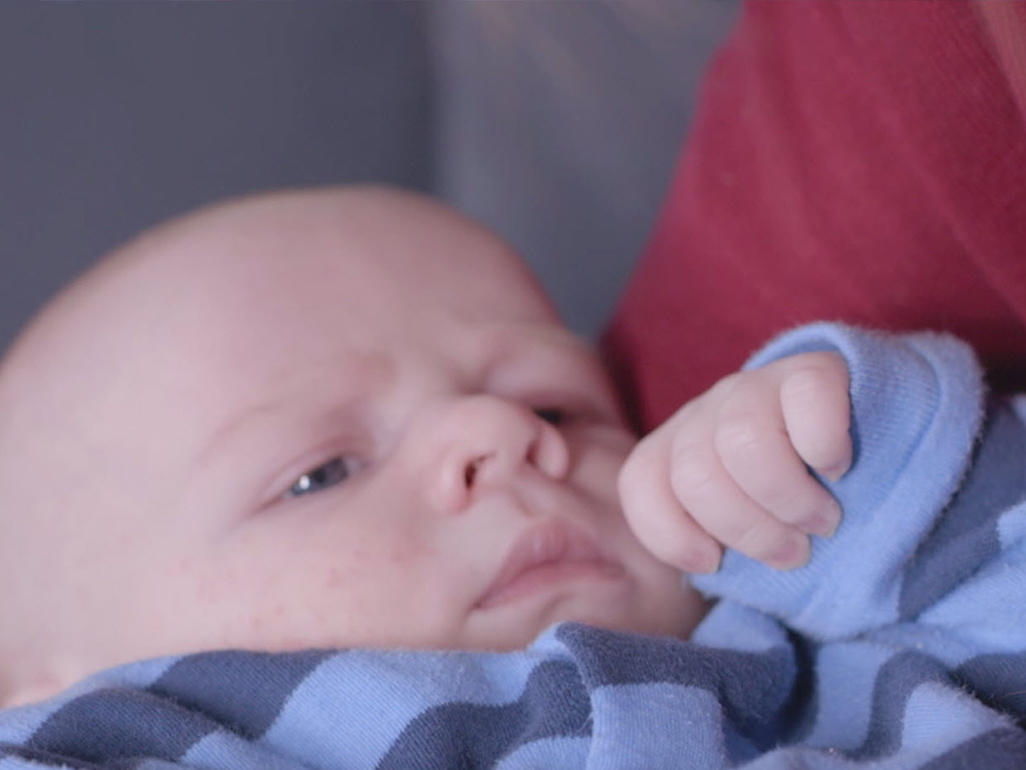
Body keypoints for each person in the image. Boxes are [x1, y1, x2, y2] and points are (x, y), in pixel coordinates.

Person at [0, 185, 853, 710]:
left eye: (555, 408)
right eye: (322, 474)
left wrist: (837, 440)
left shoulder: (800, 655)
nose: (498, 432)